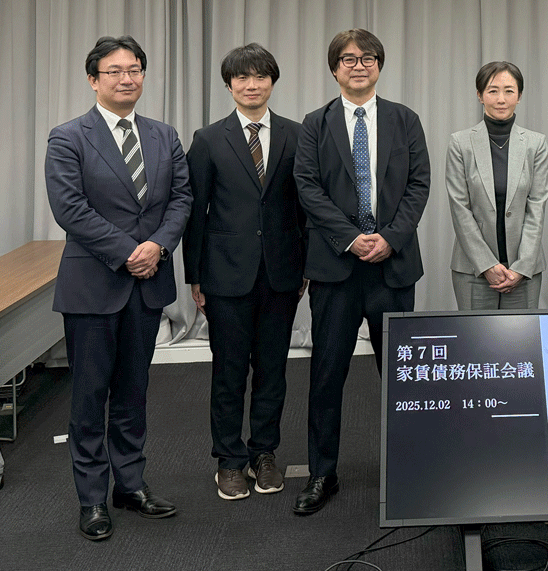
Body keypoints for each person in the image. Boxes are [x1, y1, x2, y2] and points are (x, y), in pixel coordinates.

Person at [45, 35, 192, 540]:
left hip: (146, 285)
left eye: (134, 70)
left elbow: (181, 198)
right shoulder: (68, 137)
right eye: (114, 71)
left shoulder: (164, 135)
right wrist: (129, 251)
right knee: (89, 397)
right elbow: (70, 209)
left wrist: (157, 247)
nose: (126, 78)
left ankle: (130, 485)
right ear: (93, 80)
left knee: (133, 393)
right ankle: (92, 499)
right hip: (94, 285)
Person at [292, 28, 430, 515]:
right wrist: (351, 238)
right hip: (336, 268)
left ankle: (410, 471)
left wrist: (389, 238)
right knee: (327, 375)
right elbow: (307, 186)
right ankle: (321, 473)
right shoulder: (315, 124)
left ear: (379, 66)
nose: (358, 65)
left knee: (401, 378)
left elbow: (419, 185)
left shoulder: (405, 120)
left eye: (368, 58)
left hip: (392, 267)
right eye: (348, 59)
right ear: (334, 69)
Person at [182, 44, 306, 501]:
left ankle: (264, 453)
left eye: (260, 77)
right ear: (229, 85)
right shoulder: (208, 139)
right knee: (229, 371)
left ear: (272, 82)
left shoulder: (296, 135)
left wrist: (305, 266)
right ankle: (229, 460)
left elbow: (304, 207)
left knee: (273, 370)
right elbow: (195, 211)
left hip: (282, 272)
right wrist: (194, 275)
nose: (251, 85)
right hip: (224, 274)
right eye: (242, 78)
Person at [446, 61, 548, 309]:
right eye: (493, 91)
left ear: (519, 96)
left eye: (509, 91)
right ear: (480, 95)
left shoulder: (536, 144)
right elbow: (460, 209)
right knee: (474, 334)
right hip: (473, 270)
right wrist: (487, 265)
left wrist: (522, 267)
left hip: (524, 271)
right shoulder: (460, 143)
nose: (501, 99)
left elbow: (536, 208)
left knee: (521, 335)